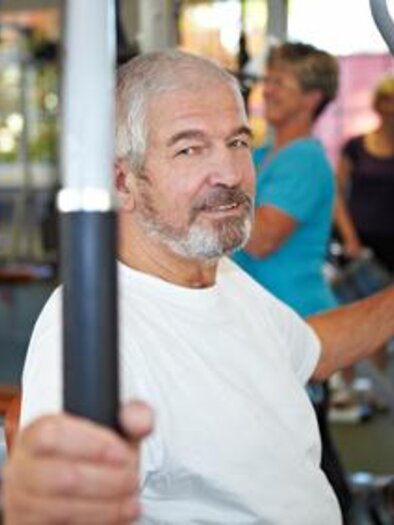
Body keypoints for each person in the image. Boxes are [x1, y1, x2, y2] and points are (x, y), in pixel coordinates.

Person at [3, 50, 394, 525]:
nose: (230, 174)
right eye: (189, 149)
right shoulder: (91, 334)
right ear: (120, 181)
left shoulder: (218, 275)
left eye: (237, 142)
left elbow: (312, 348)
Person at [231, 42, 352, 521]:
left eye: (282, 82)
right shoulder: (262, 152)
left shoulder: (304, 160)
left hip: (297, 315)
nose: (268, 89)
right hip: (259, 319)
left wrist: (200, 212)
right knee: (290, 449)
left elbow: (259, 239)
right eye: (269, 79)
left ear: (311, 97)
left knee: (308, 456)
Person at [335, 74, 394, 271]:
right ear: (378, 104)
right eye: (388, 101)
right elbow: (337, 194)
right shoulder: (355, 146)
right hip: (358, 242)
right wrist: (349, 237)